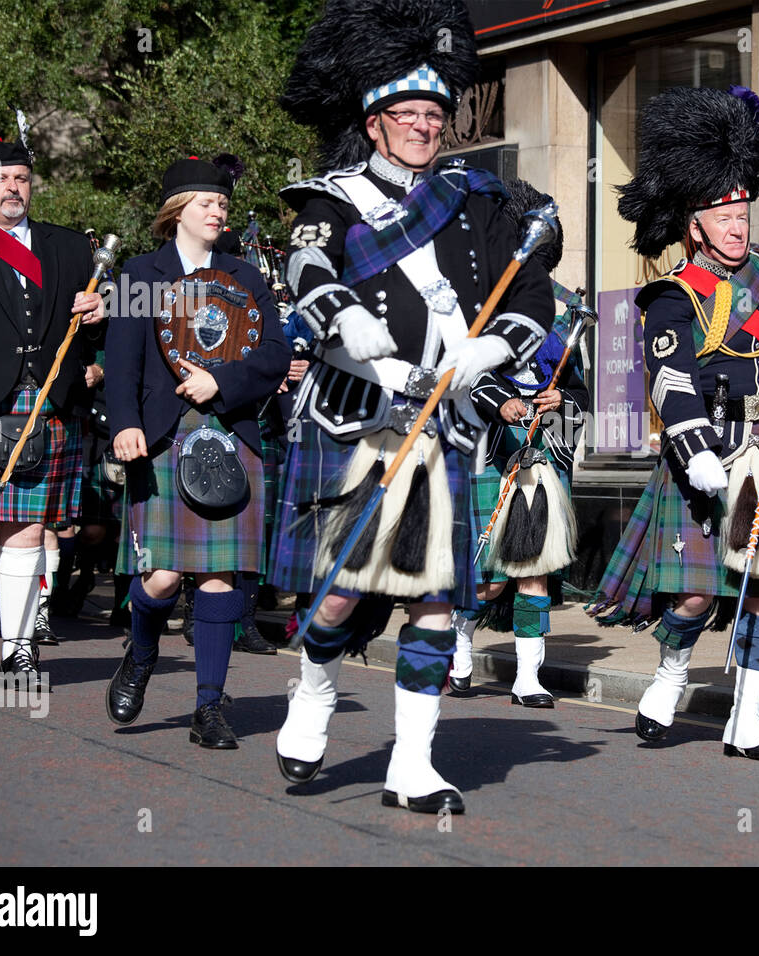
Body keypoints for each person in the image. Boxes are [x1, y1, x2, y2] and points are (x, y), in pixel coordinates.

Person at [272, 0, 554, 814]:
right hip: (357, 417)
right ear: (375, 122)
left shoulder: (479, 201)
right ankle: (315, 688)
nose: (426, 127)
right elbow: (305, 270)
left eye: (436, 114)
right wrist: (344, 315)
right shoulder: (330, 200)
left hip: (446, 423)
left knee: (436, 600)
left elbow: (532, 295)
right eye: (409, 114)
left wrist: (493, 348)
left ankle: (413, 764)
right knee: (339, 595)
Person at [587, 86, 759, 760]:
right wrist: (694, 448)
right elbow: (670, 378)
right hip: (705, 453)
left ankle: (747, 720)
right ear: (694, 223)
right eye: (721, 212)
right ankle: (670, 675)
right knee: (698, 597)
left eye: (742, 207)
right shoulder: (674, 295)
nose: (736, 222)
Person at [104, 156, 290, 748]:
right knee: (159, 578)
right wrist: (124, 425)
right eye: (207, 202)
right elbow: (122, 364)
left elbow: (275, 356)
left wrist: (222, 383)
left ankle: (208, 706)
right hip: (161, 438)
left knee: (218, 576)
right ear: (176, 211)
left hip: (229, 437)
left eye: (222, 204)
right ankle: (141, 651)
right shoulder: (141, 274)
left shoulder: (246, 274)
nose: (218, 211)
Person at [0, 137, 105, 685]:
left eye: (21, 178)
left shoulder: (69, 248)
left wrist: (100, 310)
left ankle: (17, 649)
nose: (13, 187)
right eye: (1, 178)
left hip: (44, 402)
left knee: (25, 531)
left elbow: (116, 313)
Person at [449, 178, 589, 705]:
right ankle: (460, 650)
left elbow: (579, 389)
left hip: (544, 449)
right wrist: (499, 401)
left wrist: (564, 406)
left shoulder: (569, 308)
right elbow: (462, 371)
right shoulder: (483, 299)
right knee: (487, 578)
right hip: (491, 442)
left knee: (534, 570)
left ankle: (528, 677)